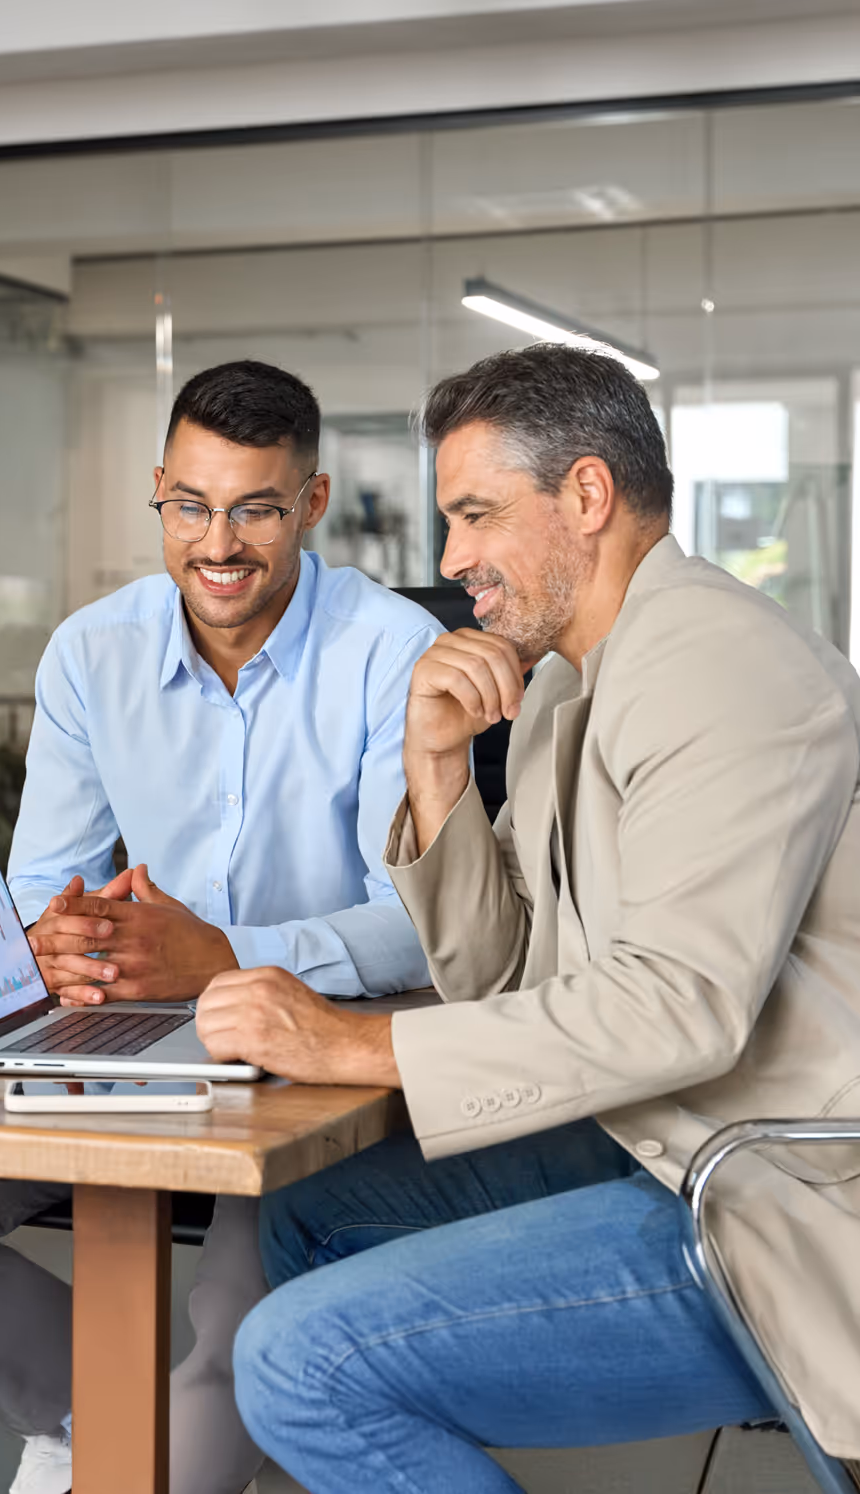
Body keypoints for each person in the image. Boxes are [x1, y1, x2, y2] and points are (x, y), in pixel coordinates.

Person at [191, 345, 860, 1493]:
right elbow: (505, 979)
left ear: (586, 496)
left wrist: (353, 1042)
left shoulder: (723, 668)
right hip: (648, 1140)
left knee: (303, 1363)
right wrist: (440, 774)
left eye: (475, 515)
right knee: (301, 1215)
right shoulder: (566, 681)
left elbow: (676, 1010)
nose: (451, 562)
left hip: (766, 1201)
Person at [0, 360, 440, 1494]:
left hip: (316, 1055)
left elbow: (417, 930)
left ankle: (161, 1434)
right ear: (159, 493)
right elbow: (45, 886)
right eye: (190, 505)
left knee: (234, 1309)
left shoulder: (391, 649)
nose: (216, 544)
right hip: (121, 1039)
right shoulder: (91, 651)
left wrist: (222, 957)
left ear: (311, 505)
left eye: (256, 509)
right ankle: (103, 1420)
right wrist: (56, 937)